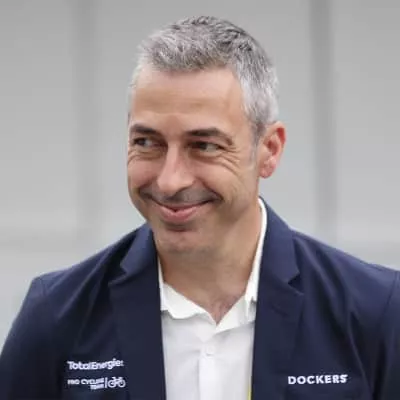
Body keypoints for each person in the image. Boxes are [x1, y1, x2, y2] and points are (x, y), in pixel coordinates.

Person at [1, 15, 399, 400]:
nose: (170, 181)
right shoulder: (57, 318)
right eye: (147, 143)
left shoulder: (375, 314)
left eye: (204, 145)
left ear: (269, 150)